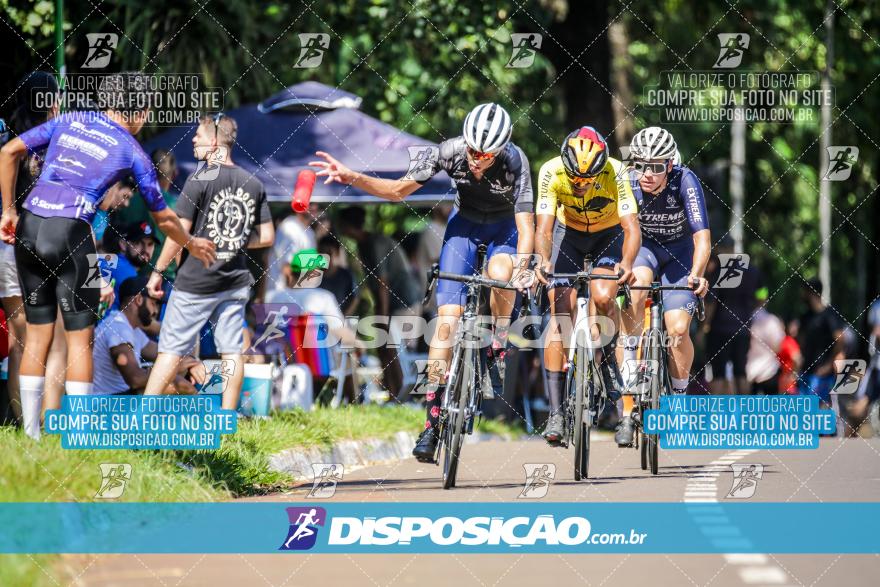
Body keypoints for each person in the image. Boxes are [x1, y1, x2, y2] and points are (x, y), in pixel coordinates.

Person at [311, 103, 535, 461]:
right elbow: (398, 190)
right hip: (463, 227)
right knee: (446, 323)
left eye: (486, 154)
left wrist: (524, 266)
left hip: (504, 230)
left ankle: (497, 339)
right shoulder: (449, 152)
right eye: (473, 151)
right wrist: (351, 175)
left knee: (500, 276)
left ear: (501, 148)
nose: (477, 159)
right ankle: (432, 421)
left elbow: (526, 227)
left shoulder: (515, 161)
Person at [0, 72, 216, 439]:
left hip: (30, 227)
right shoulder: (131, 150)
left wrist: (8, 210)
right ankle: (80, 434)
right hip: (72, 231)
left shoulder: (69, 119)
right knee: (79, 337)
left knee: (36, 336)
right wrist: (192, 243)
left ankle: (31, 437)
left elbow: (8, 151)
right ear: (138, 111)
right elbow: (163, 217)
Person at [145, 113, 274, 411]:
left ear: (214, 140)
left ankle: (143, 419)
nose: (193, 139)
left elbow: (178, 234)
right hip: (234, 281)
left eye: (199, 136)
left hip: (196, 282)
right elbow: (267, 236)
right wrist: (236, 241)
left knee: (170, 350)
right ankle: (227, 422)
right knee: (231, 352)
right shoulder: (252, 182)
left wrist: (157, 272)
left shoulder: (200, 177)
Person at [533, 126, 641, 445]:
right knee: (558, 307)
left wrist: (628, 264)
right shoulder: (551, 171)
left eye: (587, 179)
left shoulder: (616, 171)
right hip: (569, 236)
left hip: (608, 236)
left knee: (604, 297)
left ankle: (607, 362)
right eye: (574, 178)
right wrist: (543, 261)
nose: (580, 185)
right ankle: (556, 411)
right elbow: (544, 228)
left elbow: (631, 228)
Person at [617, 126, 710, 445]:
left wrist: (697, 272)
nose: (647, 173)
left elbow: (702, 238)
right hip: (643, 250)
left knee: (678, 329)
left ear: (669, 166)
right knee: (636, 287)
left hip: (679, 254)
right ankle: (627, 407)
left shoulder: (686, 181)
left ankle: (680, 397)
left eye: (656, 167)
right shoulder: (627, 181)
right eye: (641, 164)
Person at [0, 71, 68, 426]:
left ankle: (24, 422)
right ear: (51, 102)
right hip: (39, 245)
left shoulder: (9, 138)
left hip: (5, 246)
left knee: (18, 338)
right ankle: (46, 423)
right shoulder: (53, 142)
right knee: (54, 337)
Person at [337, 206, 421, 399]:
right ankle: (393, 394)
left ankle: (402, 396)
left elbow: (383, 283)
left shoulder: (374, 244)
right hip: (393, 303)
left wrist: (381, 316)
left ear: (348, 226)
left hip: (404, 302)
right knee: (386, 348)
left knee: (397, 351)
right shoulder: (364, 245)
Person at [93, 276, 202, 394]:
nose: (155, 311)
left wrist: (192, 363)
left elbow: (164, 353)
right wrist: (172, 369)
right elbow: (136, 380)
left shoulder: (132, 330)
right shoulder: (118, 326)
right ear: (138, 300)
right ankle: (209, 411)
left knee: (177, 378)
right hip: (105, 405)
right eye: (153, 303)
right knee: (178, 384)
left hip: (121, 397)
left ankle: (207, 410)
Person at [703, 238, 763, 395]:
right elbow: (762, 295)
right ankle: (745, 414)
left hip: (719, 329)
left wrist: (705, 326)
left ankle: (718, 413)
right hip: (742, 329)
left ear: (721, 248)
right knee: (741, 372)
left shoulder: (718, 269)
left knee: (718, 373)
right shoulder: (751, 270)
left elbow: (711, 301)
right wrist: (751, 309)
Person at [796, 278, 845, 408]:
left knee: (816, 412)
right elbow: (801, 341)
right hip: (805, 372)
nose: (801, 295)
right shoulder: (805, 316)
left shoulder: (829, 314)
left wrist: (829, 365)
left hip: (821, 375)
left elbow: (840, 339)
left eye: (804, 291)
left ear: (812, 293)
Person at [316, 235, 359, 316]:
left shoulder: (347, 275)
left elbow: (354, 299)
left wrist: (342, 319)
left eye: (329, 253)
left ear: (337, 253)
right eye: (322, 252)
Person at [746, 307, 786, 394]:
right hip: (769, 371)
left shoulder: (745, 319)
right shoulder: (772, 321)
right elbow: (778, 347)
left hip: (749, 374)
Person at [777, 317, 802, 394]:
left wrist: (793, 374)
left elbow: (796, 359)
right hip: (786, 382)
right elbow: (797, 359)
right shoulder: (788, 341)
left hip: (787, 382)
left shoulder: (787, 341)